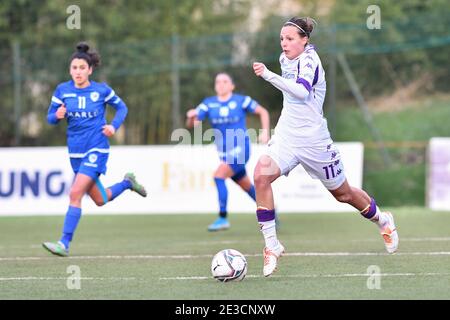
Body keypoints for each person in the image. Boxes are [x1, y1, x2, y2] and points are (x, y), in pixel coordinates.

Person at [252, 17, 399, 276]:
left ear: (305, 40)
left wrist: (268, 75)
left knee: (343, 195)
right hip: (287, 136)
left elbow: (301, 92)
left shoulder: (310, 61)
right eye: (282, 39)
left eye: (289, 39)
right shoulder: (285, 58)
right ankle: (272, 246)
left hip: (314, 141)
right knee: (261, 175)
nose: (284, 44)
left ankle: (383, 220)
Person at [42, 42, 147, 257]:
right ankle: (128, 183)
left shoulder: (101, 90)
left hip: (96, 149)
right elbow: (50, 118)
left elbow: (122, 107)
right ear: (70, 70)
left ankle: (64, 243)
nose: (78, 72)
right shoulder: (63, 90)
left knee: (74, 193)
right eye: (74, 68)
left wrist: (113, 126)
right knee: (100, 199)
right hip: (75, 153)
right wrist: (56, 116)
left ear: (90, 70)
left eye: (82, 68)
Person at [186, 72, 270, 231]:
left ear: (232, 86)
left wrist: (265, 131)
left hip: (241, 148)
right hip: (224, 154)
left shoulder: (240, 100)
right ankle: (271, 212)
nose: (221, 84)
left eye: (225, 81)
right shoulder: (208, 104)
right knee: (246, 186)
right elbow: (194, 123)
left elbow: (263, 111)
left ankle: (223, 218)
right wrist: (191, 117)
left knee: (218, 176)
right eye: (217, 82)